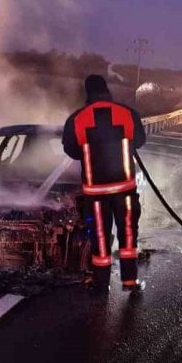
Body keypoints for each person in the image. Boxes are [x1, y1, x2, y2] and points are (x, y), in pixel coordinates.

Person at [62, 75, 147, 294]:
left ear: (87, 93)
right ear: (107, 90)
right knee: (128, 235)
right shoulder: (126, 113)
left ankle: (101, 285)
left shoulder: (77, 119)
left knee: (99, 237)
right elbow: (139, 141)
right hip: (125, 190)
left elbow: (71, 150)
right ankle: (130, 281)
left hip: (96, 193)